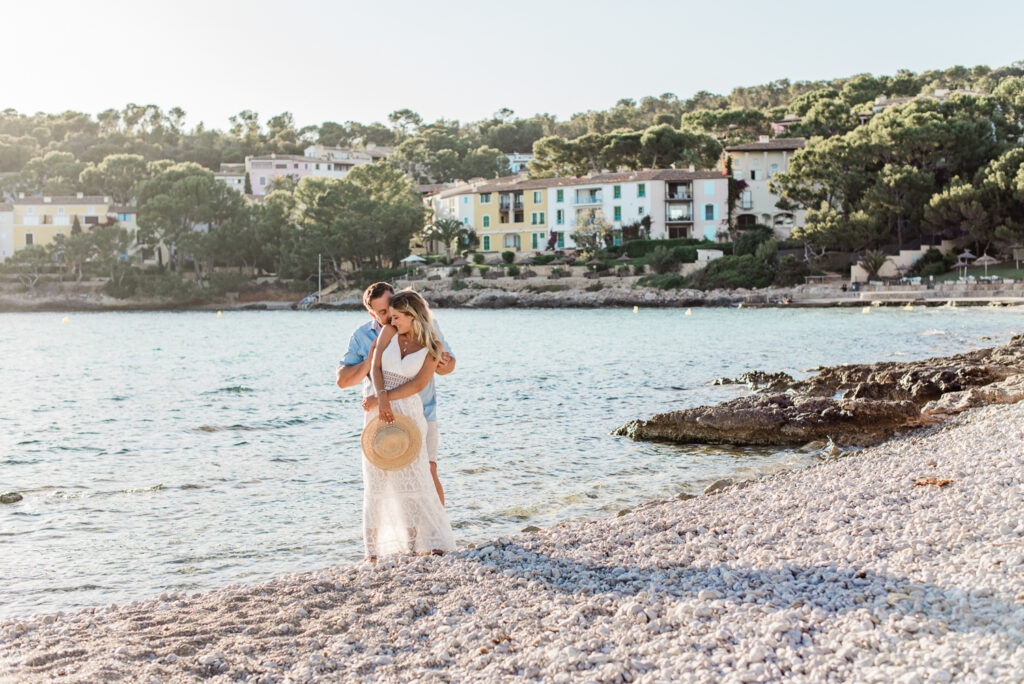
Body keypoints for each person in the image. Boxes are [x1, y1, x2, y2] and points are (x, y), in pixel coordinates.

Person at [337, 282, 455, 504]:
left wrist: (442, 363)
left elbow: (449, 366)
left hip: (424, 412)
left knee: (428, 472)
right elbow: (342, 380)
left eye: (392, 306)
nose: (390, 316)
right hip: (384, 417)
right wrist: (371, 360)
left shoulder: (425, 324)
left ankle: (438, 532)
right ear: (372, 313)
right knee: (386, 481)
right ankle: (404, 535)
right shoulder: (363, 335)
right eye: (382, 312)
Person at [359, 290, 456, 559]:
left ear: (413, 316)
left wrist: (385, 399)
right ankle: (372, 551)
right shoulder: (389, 332)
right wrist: (381, 399)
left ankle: (414, 546)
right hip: (378, 408)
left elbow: (418, 384)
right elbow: (375, 366)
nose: (391, 320)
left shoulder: (432, 345)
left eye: (398, 316)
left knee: (414, 478)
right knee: (376, 479)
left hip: (410, 411)